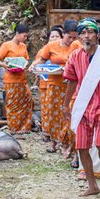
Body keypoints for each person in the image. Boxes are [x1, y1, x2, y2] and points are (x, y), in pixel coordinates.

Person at [61, 19, 100, 196]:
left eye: (90, 32)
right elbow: (71, 81)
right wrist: (65, 105)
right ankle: (92, 185)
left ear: (97, 35)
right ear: (78, 37)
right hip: (82, 105)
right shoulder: (75, 56)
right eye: (83, 33)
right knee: (82, 146)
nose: (87, 36)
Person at [30, 21, 77, 153]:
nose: (71, 40)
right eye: (69, 37)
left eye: (74, 37)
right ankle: (53, 142)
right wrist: (33, 65)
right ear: (64, 34)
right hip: (53, 83)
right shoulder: (51, 46)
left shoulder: (77, 46)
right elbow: (42, 60)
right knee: (53, 113)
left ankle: (65, 142)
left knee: (67, 113)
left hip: (70, 84)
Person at [0, 24, 32, 134]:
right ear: (17, 34)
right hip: (10, 79)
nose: (25, 39)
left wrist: (25, 65)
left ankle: (24, 127)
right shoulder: (6, 45)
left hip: (22, 78)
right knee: (13, 104)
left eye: (26, 37)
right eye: (24, 36)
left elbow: (26, 59)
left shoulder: (23, 46)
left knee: (27, 100)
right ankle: (13, 128)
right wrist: (4, 65)